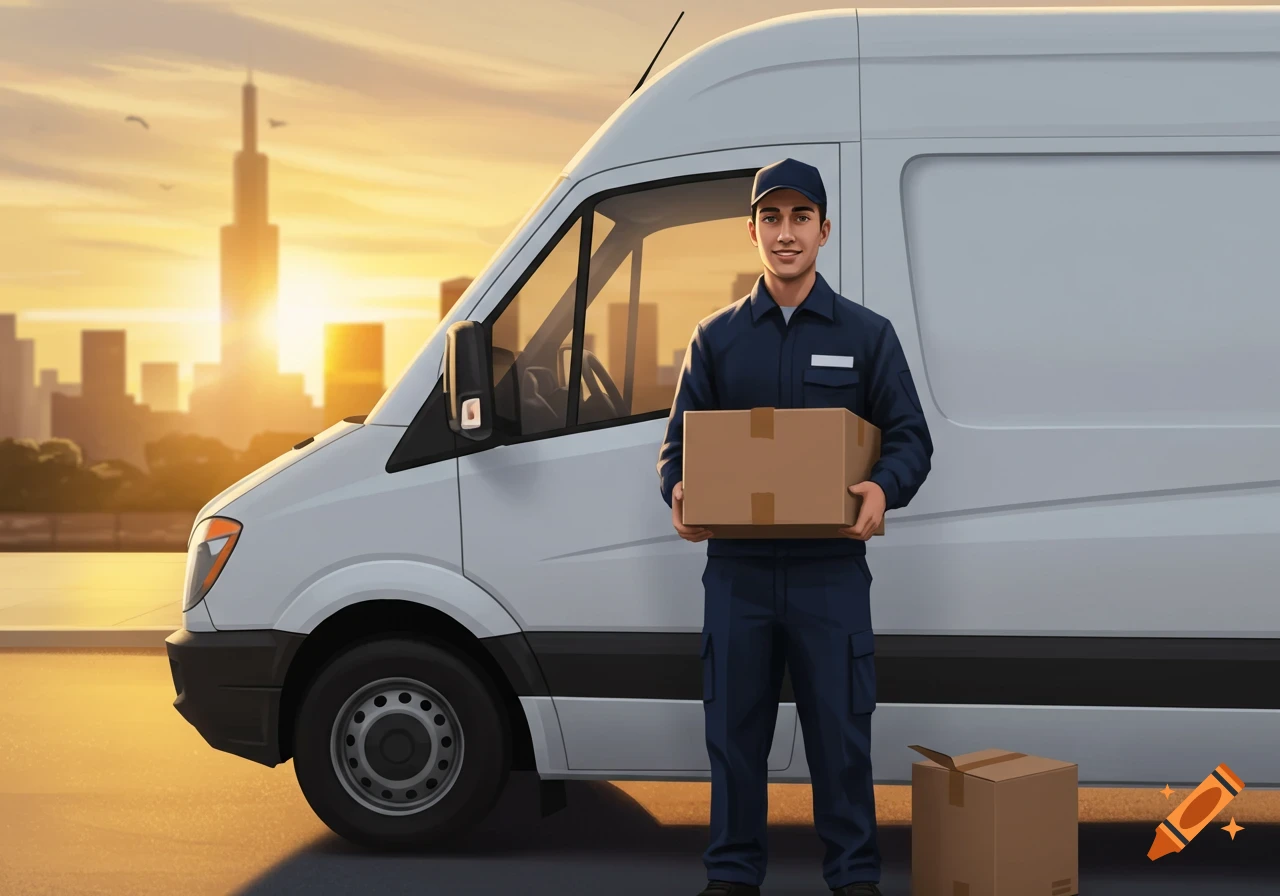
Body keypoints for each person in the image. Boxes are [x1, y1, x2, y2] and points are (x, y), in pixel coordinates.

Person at [656, 158, 934, 896]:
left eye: (800, 218)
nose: (786, 233)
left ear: (824, 230)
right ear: (752, 231)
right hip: (739, 576)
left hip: (829, 575)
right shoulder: (715, 341)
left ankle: (853, 880)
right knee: (733, 738)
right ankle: (732, 878)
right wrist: (678, 489)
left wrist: (882, 486)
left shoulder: (867, 336)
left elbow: (911, 438)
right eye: (771, 219)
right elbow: (679, 447)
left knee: (841, 740)